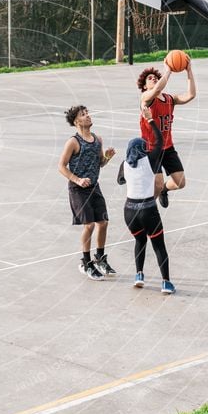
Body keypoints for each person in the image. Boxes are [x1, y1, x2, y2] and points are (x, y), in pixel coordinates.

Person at [117, 107, 175, 294]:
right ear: (143, 148)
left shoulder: (124, 164)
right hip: (148, 209)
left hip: (129, 211)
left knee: (139, 241)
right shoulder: (150, 160)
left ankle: (139, 275)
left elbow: (120, 180)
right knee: (159, 246)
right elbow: (159, 141)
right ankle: (166, 282)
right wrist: (151, 121)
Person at [58, 105, 117, 280]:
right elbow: (61, 166)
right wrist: (77, 179)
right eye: (83, 115)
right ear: (76, 121)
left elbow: (99, 163)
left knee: (103, 222)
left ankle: (100, 258)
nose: (88, 116)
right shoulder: (73, 142)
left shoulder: (97, 139)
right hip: (78, 189)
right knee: (89, 225)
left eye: (87, 113)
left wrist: (107, 157)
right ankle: (85, 262)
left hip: (94, 187)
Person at [136, 58, 197, 208]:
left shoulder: (170, 99)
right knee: (155, 184)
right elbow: (156, 90)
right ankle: (148, 210)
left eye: (155, 77)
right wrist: (168, 70)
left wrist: (189, 71)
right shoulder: (145, 99)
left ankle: (164, 190)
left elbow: (191, 95)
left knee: (180, 182)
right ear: (144, 86)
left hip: (168, 147)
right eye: (150, 79)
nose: (154, 79)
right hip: (151, 148)